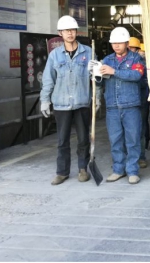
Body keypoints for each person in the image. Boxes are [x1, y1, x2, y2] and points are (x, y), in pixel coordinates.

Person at [40, 15, 92, 185]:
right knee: (62, 140)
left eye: (72, 30)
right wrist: (45, 100)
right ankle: (62, 172)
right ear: (60, 33)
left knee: (83, 138)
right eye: (66, 30)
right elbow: (48, 79)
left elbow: (96, 77)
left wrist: (97, 97)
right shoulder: (55, 55)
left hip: (82, 102)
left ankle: (83, 169)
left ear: (76, 32)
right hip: (61, 103)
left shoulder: (88, 52)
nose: (70, 33)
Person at [96, 27, 145, 184]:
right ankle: (118, 170)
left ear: (126, 43)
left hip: (131, 106)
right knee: (115, 140)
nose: (116, 45)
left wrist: (114, 72)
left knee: (133, 139)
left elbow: (136, 75)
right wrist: (95, 74)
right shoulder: (107, 60)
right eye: (113, 43)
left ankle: (132, 171)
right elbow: (100, 82)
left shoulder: (136, 58)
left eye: (119, 42)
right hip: (112, 106)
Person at [137, 42, 150, 169]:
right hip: (127, 100)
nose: (141, 54)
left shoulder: (147, 64)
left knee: (141, 127)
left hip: (142, 99)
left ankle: (141, 155)